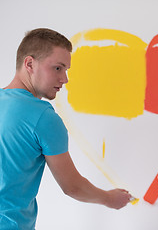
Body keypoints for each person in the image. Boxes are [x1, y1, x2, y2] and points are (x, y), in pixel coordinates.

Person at [0, 28, 132, 229]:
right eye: (57, 68)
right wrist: (109, 199)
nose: (65, 78)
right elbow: (72, 187)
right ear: (29, 64)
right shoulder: (43, 117)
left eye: (66, 70)